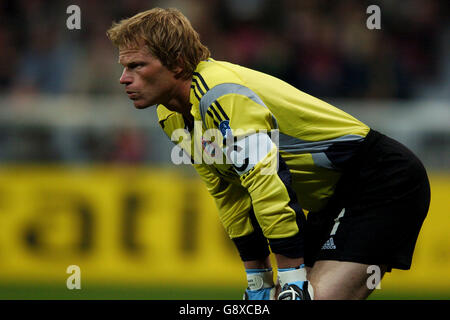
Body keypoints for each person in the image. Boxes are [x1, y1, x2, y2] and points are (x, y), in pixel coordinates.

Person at [106, 8, 431, 300]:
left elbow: (267, 182)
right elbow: (229, 194)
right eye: (124, 67)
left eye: (136, 65)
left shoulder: (221, 92)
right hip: (332, 199)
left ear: (176, 64)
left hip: (381, 179)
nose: (124, 78)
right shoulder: (171, 114)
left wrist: (290, 276)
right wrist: (258, 278)